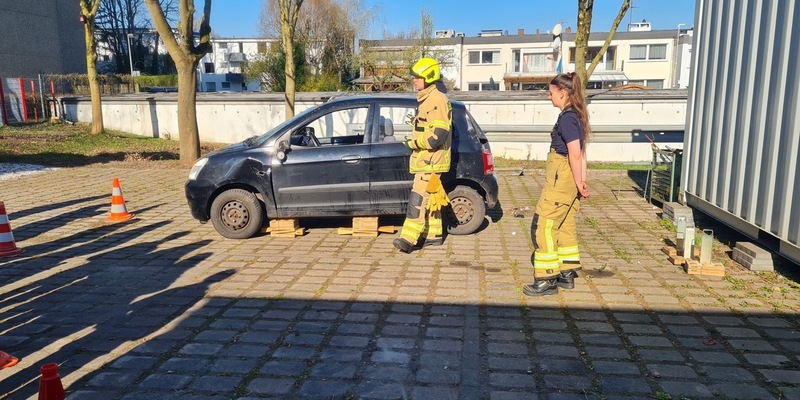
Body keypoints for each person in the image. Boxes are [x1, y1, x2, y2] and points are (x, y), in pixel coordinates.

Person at [524, 72, 591, 296]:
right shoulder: (575, 116)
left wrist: (578, 180)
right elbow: (582, 153)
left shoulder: (567, 118)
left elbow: (574, 153)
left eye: (551, 92)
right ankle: (567, 273)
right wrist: (581, 181)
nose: (548, 96)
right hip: (569, 178)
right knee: (565, 225)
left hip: (561, 178)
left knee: (545, 225)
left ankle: (547, 279)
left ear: (563, 93)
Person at [393, 57, 452, 253]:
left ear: (428, 78)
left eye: (417, 77)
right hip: (428, 161)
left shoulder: (436, 100)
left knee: (417, 200)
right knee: (432, 198)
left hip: (431, 161)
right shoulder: (429, 99)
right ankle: (434, 236)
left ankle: (408, 239)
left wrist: (414, 142)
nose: (414, 80)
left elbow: (438, 136)